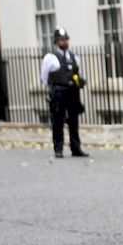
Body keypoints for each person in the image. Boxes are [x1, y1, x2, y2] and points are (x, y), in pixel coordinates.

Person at [40, 27, 88, 158]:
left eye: (66, 39)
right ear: (56, 42)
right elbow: (44, 77)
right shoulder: (50, 58)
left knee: (73, 121)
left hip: (72, 93)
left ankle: (75, 147)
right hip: (59, 93)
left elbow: (77, 74)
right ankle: (58, 148)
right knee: (58, 121)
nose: (64, 42)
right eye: (61, 40)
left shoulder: (74, 57)